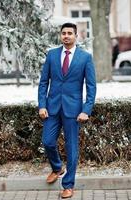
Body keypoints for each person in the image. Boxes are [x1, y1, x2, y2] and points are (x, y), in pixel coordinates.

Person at [38, 22, 96, 199]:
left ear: (76, 36)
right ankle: (57, 167)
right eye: (63, 33)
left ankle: (68, 185)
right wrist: (42, 105)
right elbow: (43, 83)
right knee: (47, 141)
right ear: (60, 36)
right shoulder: (52, 55)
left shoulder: (85, 58)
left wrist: (86, 109)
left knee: (71, 148)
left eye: (70, 33)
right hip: (52, 108)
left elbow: (91, 86)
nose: (66, 36)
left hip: (74, 110)